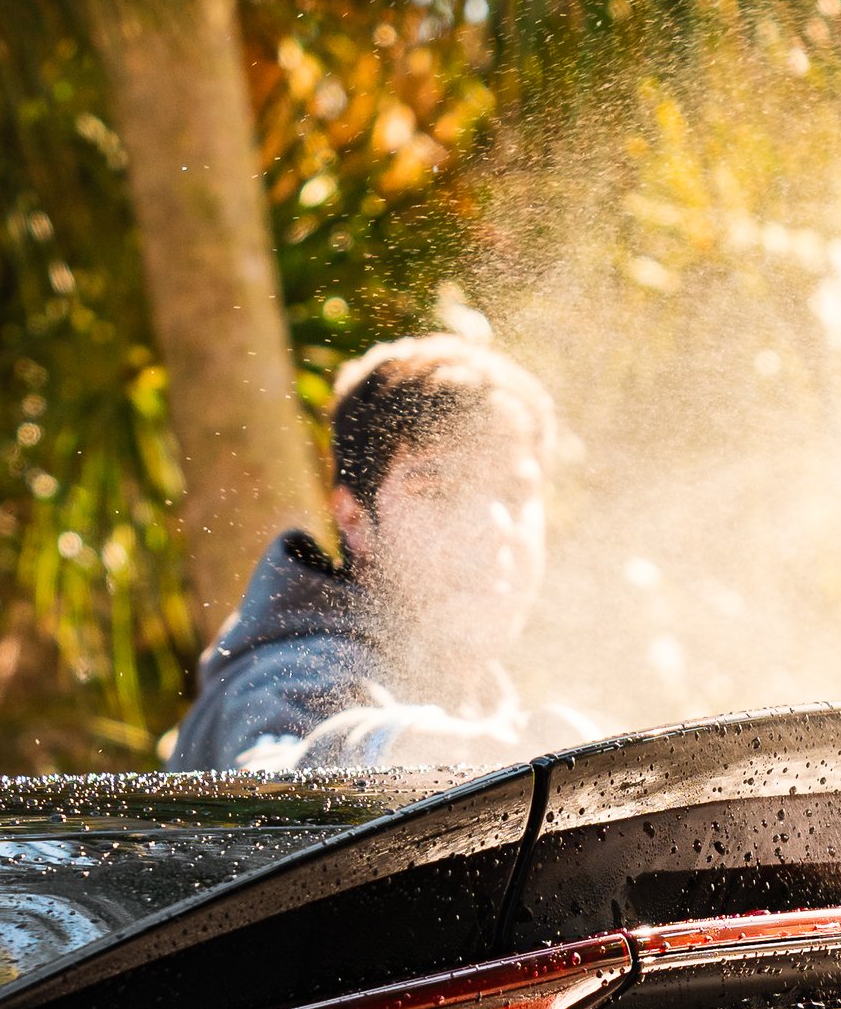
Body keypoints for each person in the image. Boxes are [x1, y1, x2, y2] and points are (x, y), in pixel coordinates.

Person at [171, 329, 589, 776]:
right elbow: (276, 788)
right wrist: (408, 750)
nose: (492, 528)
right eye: (438, 490)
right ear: (354, 520)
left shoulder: (484, 704)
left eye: (514, 492)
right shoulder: (286, 676)